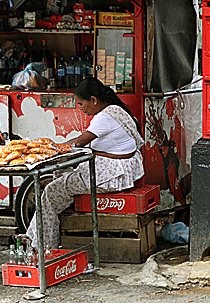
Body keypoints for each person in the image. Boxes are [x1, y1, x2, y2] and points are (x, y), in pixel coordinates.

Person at [26, 77, 144, 249]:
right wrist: (58, 147)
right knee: (61, 176)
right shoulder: (115, 110)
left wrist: (55, 149)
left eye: (81, 104)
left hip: (111, 174)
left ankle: (44, 246)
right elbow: (80, 141)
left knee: (50, 192)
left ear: (93, 100)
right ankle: (32, 235)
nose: (80, 109)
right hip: (124, 169)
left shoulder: (103, 117)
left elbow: (80, 142)